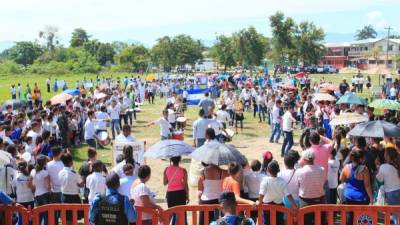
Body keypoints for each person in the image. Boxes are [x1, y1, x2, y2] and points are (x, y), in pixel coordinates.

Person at [258, 160, 298, 225]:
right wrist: (294, 206)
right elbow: (288, 195)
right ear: (278, 170)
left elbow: (261, 194)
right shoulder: (282, 182)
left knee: (267, 223)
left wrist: (259, 202)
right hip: (279, 207)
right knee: (279, 223)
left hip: (267, 208)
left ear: (268, 170)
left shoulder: (264, 181)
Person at [340, 150, 373, 225]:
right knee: (361, 218)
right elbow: (367, 185)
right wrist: (371, 199)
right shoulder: (364, 169)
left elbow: (341, 179)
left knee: (349, 216)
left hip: (348, 196)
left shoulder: (346, 167)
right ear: (361, 159)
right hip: (361, 198)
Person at [296, 150, 325, 225]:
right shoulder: (321, 169)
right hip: (319, 200)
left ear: (305, 160)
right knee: (319, 222)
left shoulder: (299, 171)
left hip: (305, 201)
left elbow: (298, 185)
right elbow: (323, 182)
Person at [376, 148, 400, 225]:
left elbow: (379, 179)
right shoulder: (398, 165)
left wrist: (377, 167)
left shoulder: (383, 167)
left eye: (385, 154)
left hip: (391, 193)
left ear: (387, 156)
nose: (384, 155)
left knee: (396, 215)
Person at [59, 153, 84, 224]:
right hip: (74, 197)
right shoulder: (74, 173)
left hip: (64, 197)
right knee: (74, 218)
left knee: (66, 218)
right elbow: (81, 184)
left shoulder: (60, 173)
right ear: (71, 162)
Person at [163, 156, 189, 225]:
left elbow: (165, 183)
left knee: (171, 212)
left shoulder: (166, 169)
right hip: (181, 193)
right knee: (182, 213)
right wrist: (188, 196)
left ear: (171, 159)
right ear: (180, 160)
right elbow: (186, 185)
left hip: (170, 194)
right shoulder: (183, 170)